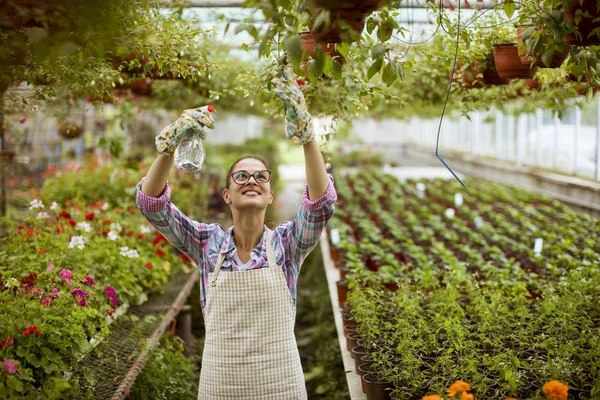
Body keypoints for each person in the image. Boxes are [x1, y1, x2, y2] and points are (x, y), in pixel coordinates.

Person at [135, 66, 337, 400]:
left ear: (271, 195)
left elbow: (320, 205)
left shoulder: (286, 245)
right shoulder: (206, 244)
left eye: (261, 176)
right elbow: (152, 205)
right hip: (220, 386)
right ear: (226, 194)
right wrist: (169, 146)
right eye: (241, 176)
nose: (252, 180)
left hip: (280, 387)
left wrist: (307, 136)